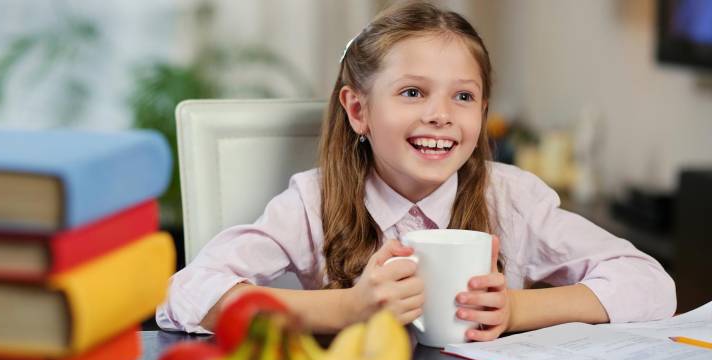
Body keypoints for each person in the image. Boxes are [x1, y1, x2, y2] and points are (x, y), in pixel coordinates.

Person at [157, 1, 675, 341]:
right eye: (412, 92)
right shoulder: (312, 203)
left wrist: (516, 311)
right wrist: (347, 308)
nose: (441, 115)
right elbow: (187, 292)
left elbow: (651, 285)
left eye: (464, 97)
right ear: (358, 110)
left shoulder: (511, 199)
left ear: (483, 112)